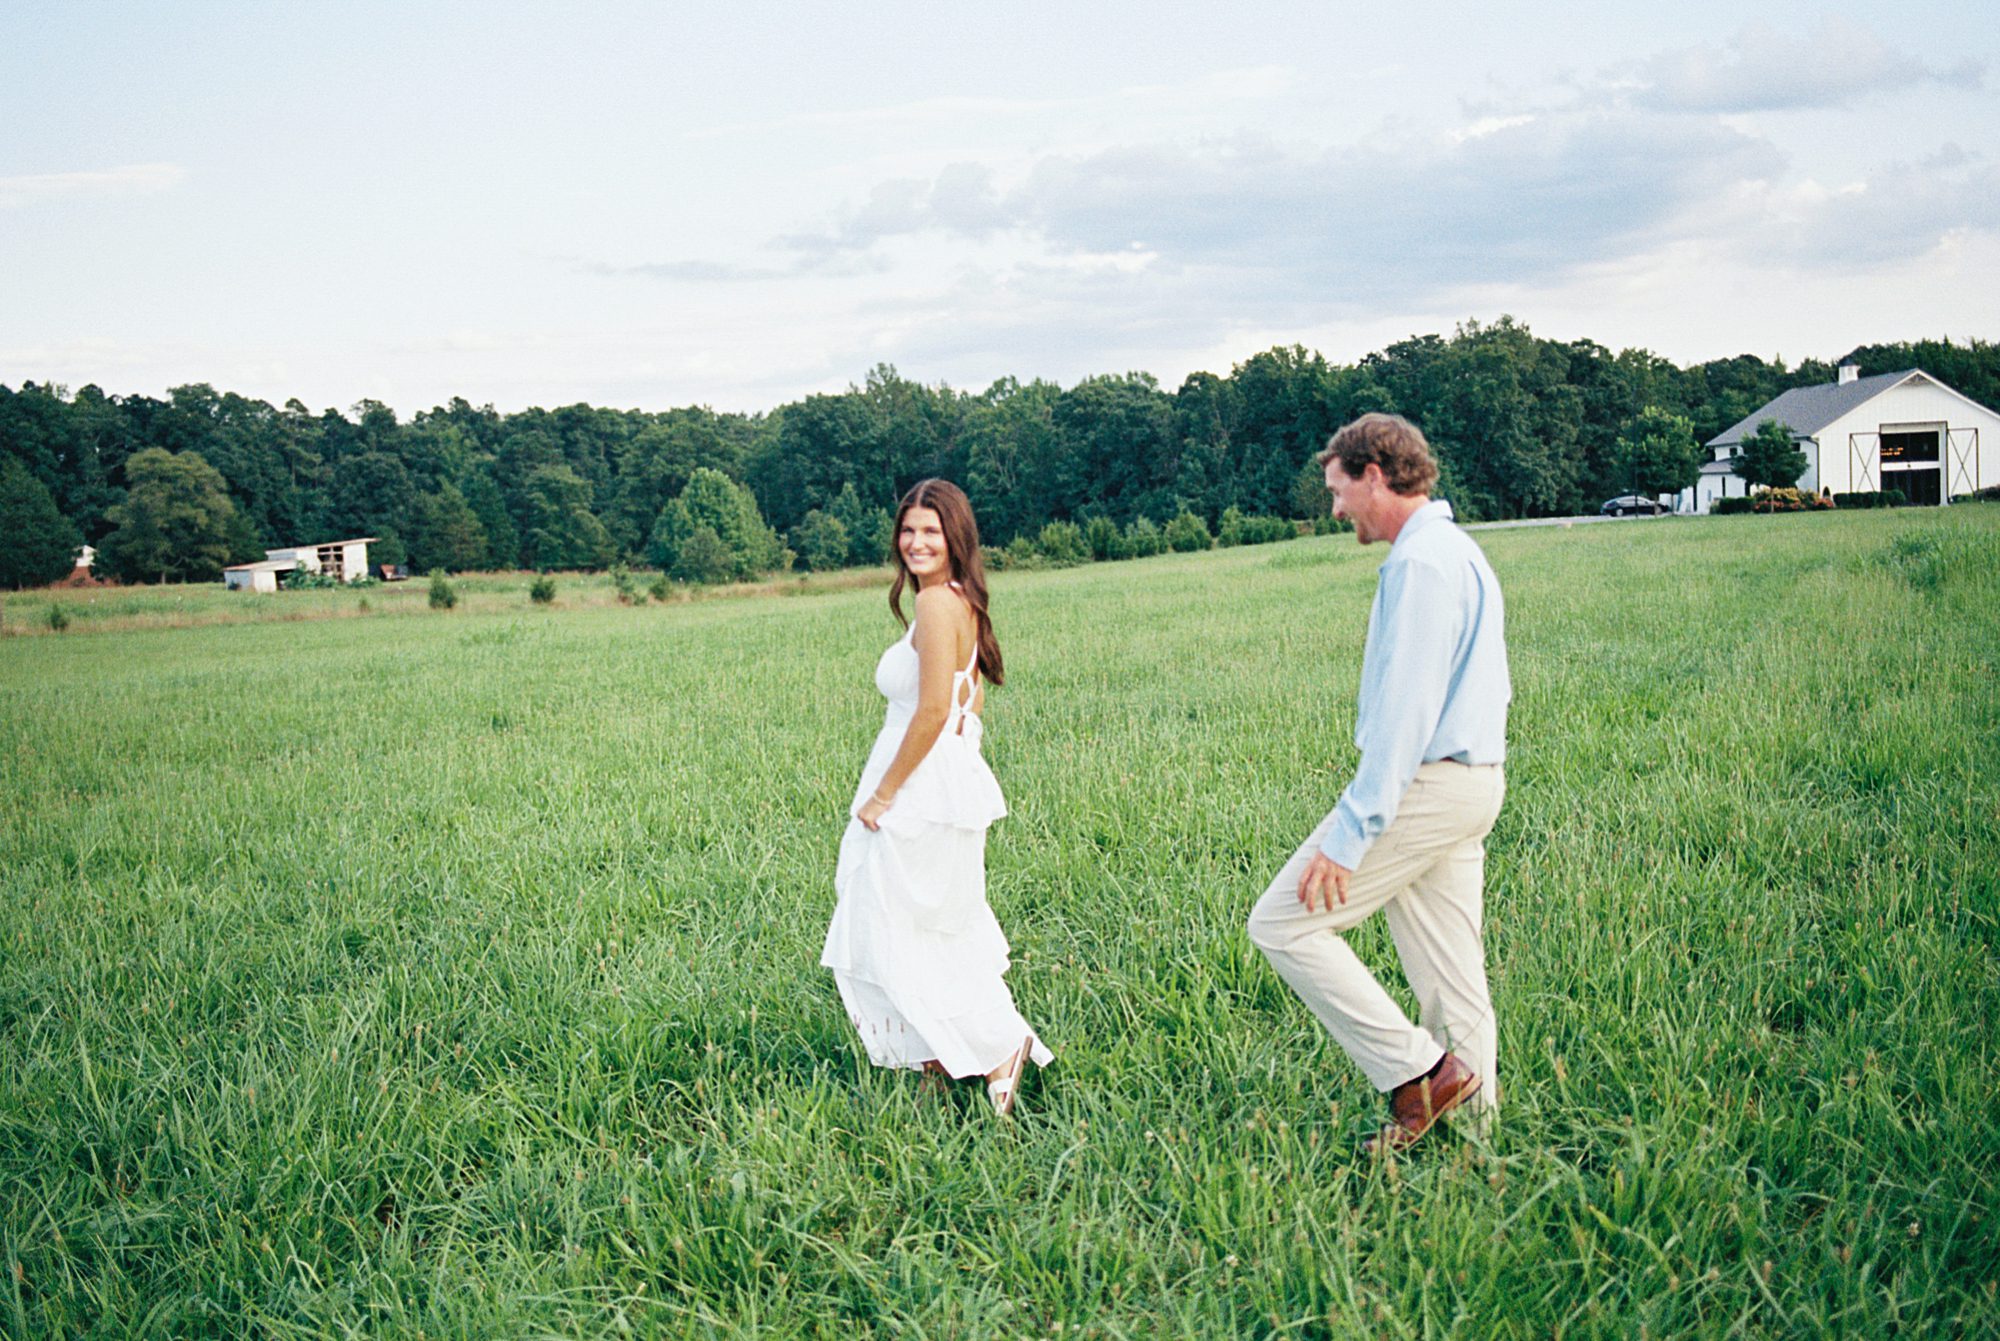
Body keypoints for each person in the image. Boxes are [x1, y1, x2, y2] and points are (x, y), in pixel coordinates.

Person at [1247, 413, 1510, 1153]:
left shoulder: (1421, 565)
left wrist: (1350, 833)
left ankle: (1420, 1075)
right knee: (1453, 977)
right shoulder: (1455, 551)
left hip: (1427, 784)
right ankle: (1476, 1143)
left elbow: (1405, 713)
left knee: (1281, 923)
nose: (1334, 509)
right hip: (1472, 781)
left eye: (1338, 490)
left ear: (1374, 474)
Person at [820, 478, 1052, 1115]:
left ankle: (999, 1046)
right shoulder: (955, 600)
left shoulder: (934, 605)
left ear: (955, 538)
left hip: (913, 788)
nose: (917, 542)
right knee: (920, 924)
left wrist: (884, 795)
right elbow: (966, 705)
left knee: (896, 925)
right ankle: (936, 1059)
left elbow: (930, 712)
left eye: (931, 531)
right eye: (908, 530)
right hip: (937, 782)